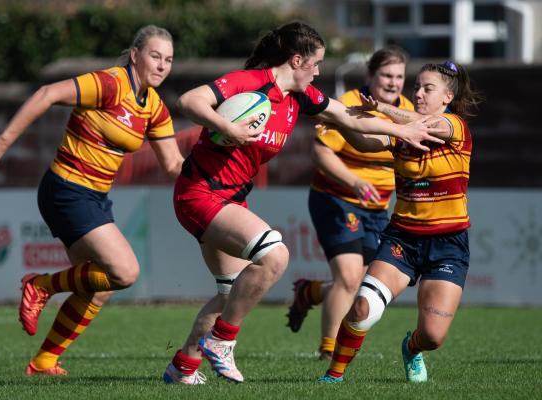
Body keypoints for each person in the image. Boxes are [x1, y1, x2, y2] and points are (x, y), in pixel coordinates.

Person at [162, 21, 444, 385]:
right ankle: (222, 341)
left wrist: (401, 130)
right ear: (297, 61)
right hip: (199, 191)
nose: (319, 71)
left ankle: (182, 368)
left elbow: (346, 116)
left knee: (230, 293)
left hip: (230, 197)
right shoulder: (250, 81)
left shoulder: (301, 97)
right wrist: (228, 128)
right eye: (317, 63)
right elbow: (188, 101)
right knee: (275, 255)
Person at [0, 25, 183, 376]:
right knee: (125, 272)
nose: (163, 65)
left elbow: (175, 166)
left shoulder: (155, 109)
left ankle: (43, 361)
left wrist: (220, 158)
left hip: (96, 196)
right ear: (135, 55)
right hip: (66, 189)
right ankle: (40, 285)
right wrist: (3, 141)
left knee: (97, 285)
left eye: (169, 60)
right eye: (155, 56)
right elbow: (46, 94)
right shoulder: (110, 83)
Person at [318, 60, 483, 383]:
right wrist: (333, 116)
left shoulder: (456, 127)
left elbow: (424, 123)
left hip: (448, 244)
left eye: (427, 88)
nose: (417, 93)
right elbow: (366, 140)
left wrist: (379, 108)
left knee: (433, 337)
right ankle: (333, 377)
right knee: (363, 309)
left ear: (447, 97)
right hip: (402, 240)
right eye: (417, 87)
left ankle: (410, 347)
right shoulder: (402, 134)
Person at [286, 46, 414, 361]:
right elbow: (321, 153)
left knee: (368, 283)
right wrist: (354, 181)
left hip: (378, 208)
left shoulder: (407, 109)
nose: (393, 82)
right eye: (386, 75)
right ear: (371, 75)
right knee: (348, 276)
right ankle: (328, 351)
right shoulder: (349, 105)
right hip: (336, 199)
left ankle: (311, 292)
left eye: (399, 76)